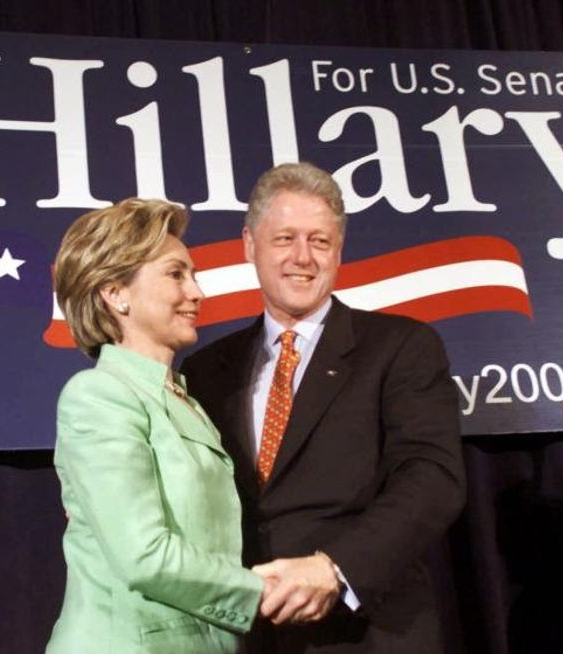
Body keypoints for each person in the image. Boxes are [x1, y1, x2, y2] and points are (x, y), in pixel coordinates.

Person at [181, 163, 467, 652]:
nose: (302, 258)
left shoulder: (401, 347)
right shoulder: (206, 369)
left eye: (320, 241)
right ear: (249, 245)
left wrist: (335, 567)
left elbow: (432, 477)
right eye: (285, 238)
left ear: (339, 250)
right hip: (246, 634)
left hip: (367, 629)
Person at [46, 198, 274, 653]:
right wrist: (265, 591)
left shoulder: (187, 401)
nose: (197, 293)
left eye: (193, 275)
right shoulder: (98, 397)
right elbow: (144, 555)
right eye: (175, 274)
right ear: (115, 292)